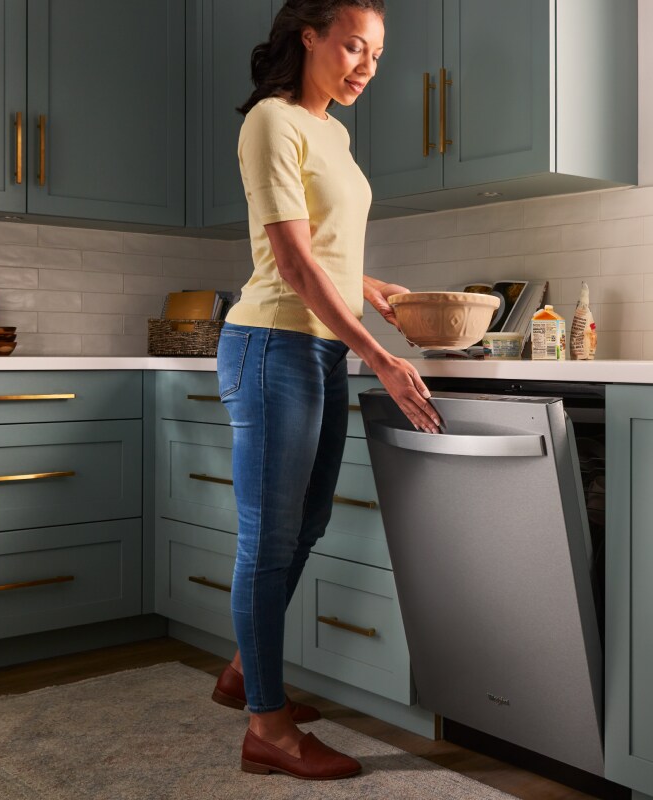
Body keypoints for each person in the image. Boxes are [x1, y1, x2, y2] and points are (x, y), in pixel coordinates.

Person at [209, 0, 441, 781]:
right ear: (308, 36)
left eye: (376, 55)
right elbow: (290, 263)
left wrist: (366, 285)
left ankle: (245, 671)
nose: (366, 67)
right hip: (272, 344)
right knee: (268, 540)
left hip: (319, 347)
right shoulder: (270, 122)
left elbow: (320, 247)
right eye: (353, 47)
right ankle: (267, 731)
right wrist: (381, 356)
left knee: (306, 525)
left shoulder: (332, 132)